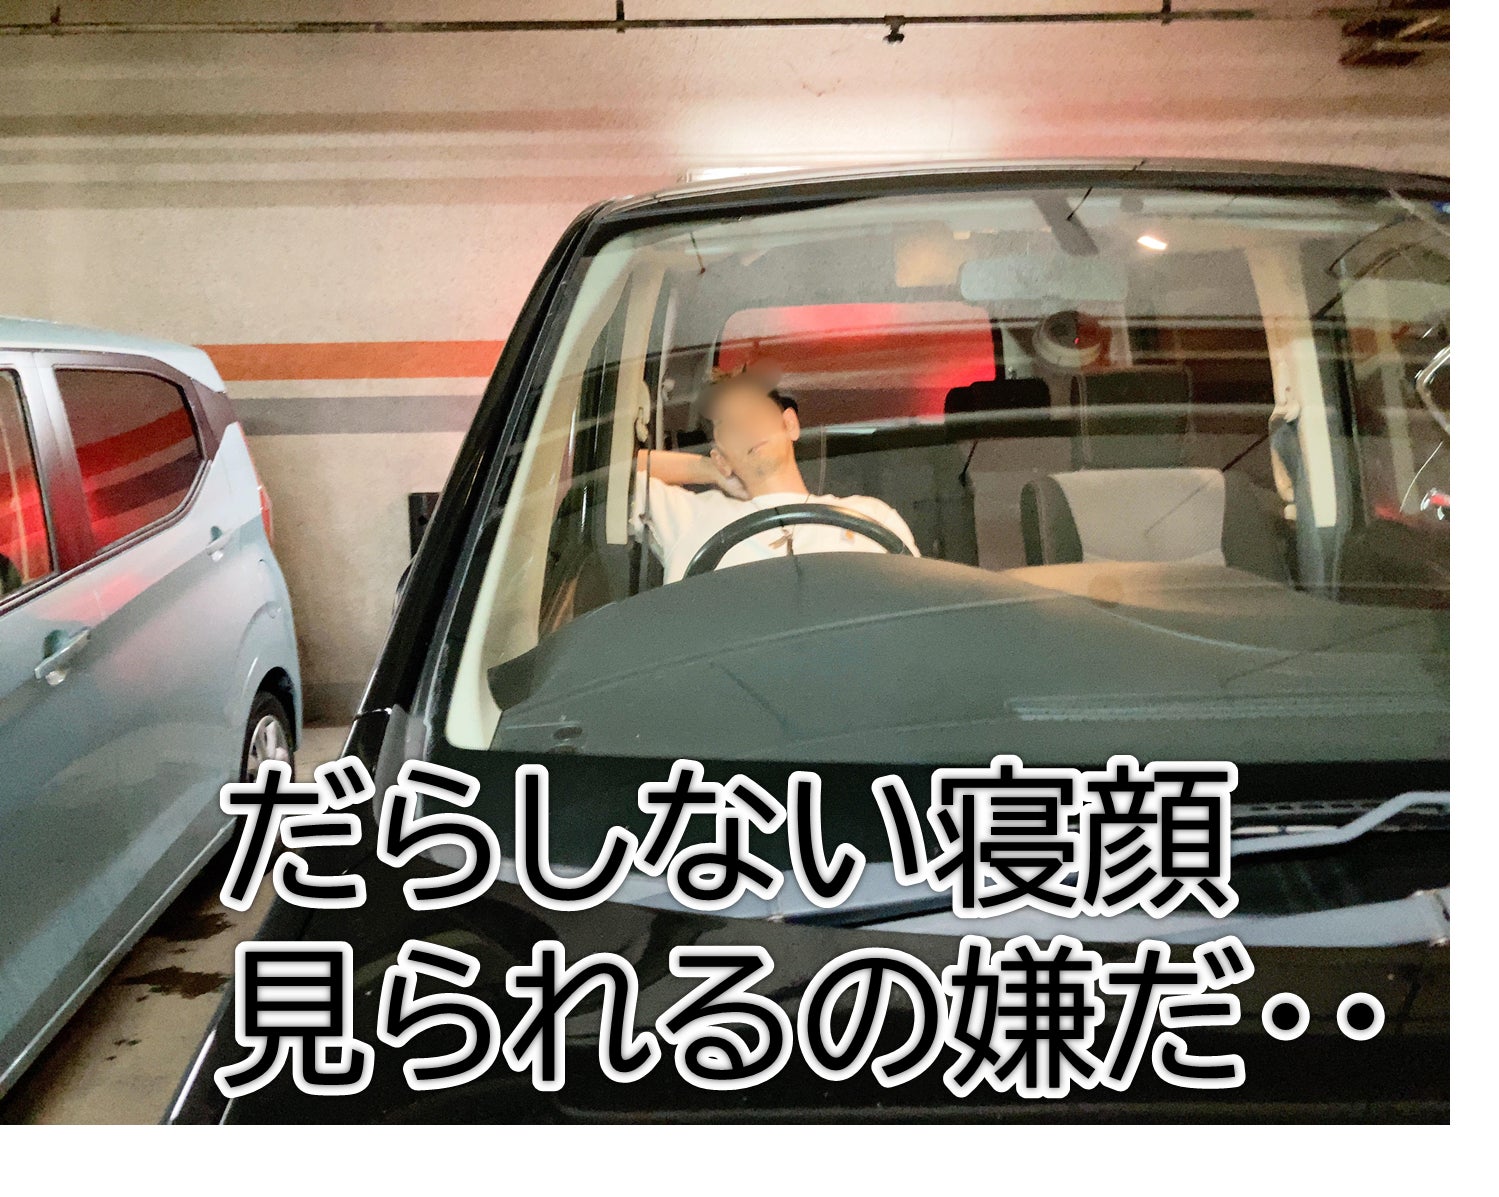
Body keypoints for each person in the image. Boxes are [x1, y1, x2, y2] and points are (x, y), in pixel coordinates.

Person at [631, 368, 919, 583]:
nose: (746, 427)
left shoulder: (872, 517)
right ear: (720, 457)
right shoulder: (689, 516)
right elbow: (616, 474)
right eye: (729, 424)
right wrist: (709, 470)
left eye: (754, 411)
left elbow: (915, 610)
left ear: (789, 424)